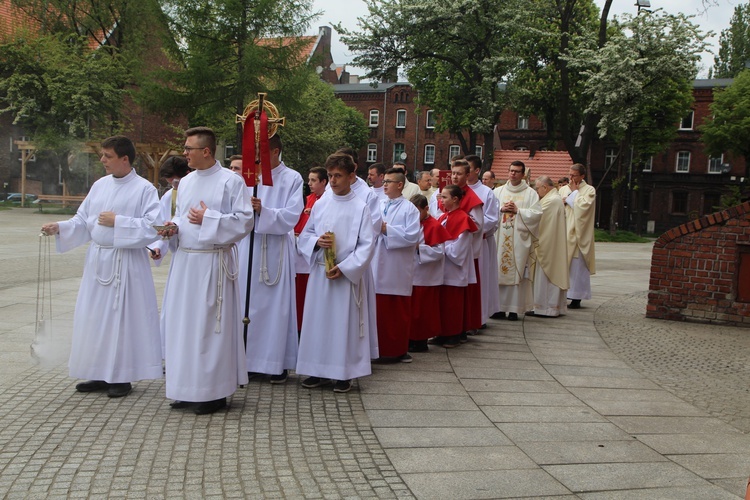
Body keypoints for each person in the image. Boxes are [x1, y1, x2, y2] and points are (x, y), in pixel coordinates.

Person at [41, 135, 162, 398]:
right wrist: (59, 228)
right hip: (98, 262)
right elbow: (83, 220)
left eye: (107, 156)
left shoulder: (144, 189)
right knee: (94, 318)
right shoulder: (99, 186)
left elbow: (155, 226)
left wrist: (119, 221)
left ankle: (121, 376)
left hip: (127, 263)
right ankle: (97, 371)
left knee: (122, 321)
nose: (102, 160)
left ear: (125, 159)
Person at [158, 126, 253, 415]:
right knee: (183, 326)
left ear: (206, 151)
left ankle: (213, 392)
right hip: (186, 263)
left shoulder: (230, 182)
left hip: (213, 263)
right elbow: (180, 216)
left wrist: (208, 217)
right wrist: (172, 228)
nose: (184, 153)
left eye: (189, 148)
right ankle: (186, 388)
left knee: (209, 327)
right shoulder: (185, 183)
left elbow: (245, 221)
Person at [296, 152, 377, 393]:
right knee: (317, 322)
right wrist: (315, 242)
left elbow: (367, 244)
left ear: (352, 176)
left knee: (342, 325)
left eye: (338, 176)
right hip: (321, 273)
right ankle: (316, 370)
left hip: (344, 275)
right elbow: (306, 234)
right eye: (330, 176)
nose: (332, 181)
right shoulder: (321, 204)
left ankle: (343, 373)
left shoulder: (361, 207)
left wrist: (345, 268)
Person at [244, 134, 304, 383]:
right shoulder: (248, 178)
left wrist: (264, 211)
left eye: (261, 151)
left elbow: (293, 214)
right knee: (248, 305)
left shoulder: (292, 178)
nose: (256, 157)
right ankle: (247, 361)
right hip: (249, 247)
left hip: (276, 248)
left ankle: (275, 363)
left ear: (276, 151)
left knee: (275, 308)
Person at [371, 168, 420, 362]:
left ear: (400, 185)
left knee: (395, 311)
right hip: (376, 263)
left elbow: (412, 236)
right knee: (377, 311)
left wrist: (386, 229)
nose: (384, 185)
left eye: (388, 182)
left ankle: (396, 349)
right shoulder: (377, 204)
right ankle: (376, 349)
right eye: (384, 182)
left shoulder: (410, 209)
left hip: (397, 268)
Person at [432, 159, 484, 338]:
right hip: (446, 256)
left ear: (467, 175)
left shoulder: (471, 200)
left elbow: (477, 225)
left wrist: (446, 239)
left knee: (455, 299)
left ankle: (456, 332)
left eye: (459, 173)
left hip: (460, 253)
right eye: (453, 173)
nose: (454, 176)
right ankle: (446, 331)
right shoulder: (445, 201)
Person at [492, 160, 541, 320]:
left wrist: (518, 211)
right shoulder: (497, 191)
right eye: (511, 170)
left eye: (517, 171)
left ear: (523, 174)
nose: (513, 174)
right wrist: (501, 209)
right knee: (498, 269)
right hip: (500, 239)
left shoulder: (530, 193)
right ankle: (498, 308)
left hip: (519, 241)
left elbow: (537, 214)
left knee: (518, 272)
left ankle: (514, 309)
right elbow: (489, 211)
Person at [432, 184, 477, 348]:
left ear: (455, 199)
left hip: (454, 269)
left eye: (444, 197)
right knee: (442, 303)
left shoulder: (463, 219)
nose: (441, 200)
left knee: (452, 305)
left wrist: (440, 247)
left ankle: (453, 335)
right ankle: (442, 333)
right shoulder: (444, 217)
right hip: (442, 267)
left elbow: (459, 250)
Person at [408, 194, 450, 353]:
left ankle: (421, 341)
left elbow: (439, 252)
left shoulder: (434, 226)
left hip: (427, 276)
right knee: (412, 311)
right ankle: (410, 339)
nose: (414, 217)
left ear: (426, 209)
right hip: (412, 273)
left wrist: (420, 248)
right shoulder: (411, 223)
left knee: (423, 312)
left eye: (417, 212)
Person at [466, 155, 500, 326]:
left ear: (477, 171)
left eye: (468, 169)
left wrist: (469, 228)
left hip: (479, 242)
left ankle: (480, 317)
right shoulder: (457, 190)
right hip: (458, 243)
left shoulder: (487, 193)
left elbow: (492, 219)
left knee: (481, 280)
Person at [294, 166, 328, 333]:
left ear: (324, 182)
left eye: (314, 180)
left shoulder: (326, 202)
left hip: (314, 254)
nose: (310, 183)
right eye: (309, 180)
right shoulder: (308, 198)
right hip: (299, 248)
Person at [558, 163, 596, 309]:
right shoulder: (563, 189)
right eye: (570, 174)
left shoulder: (589, 190)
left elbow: (584, 208)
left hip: (579, 234)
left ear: (582, 176)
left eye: (574, 175)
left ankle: (576, 297)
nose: (571, 178)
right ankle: (562, 294)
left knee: (577, 267)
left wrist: (573, 195)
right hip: (564, 231)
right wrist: (562, 201)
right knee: (563, 265)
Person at [531, 176, 569, 317]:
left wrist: (519, 212)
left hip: (548, 245)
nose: (536, 191)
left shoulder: (551, 201)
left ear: (545, 187)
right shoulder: (554, 198)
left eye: (537, 188)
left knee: (545, 275)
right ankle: (548, 307)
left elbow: (536, 216)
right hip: (551, 243)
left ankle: (545, 308)